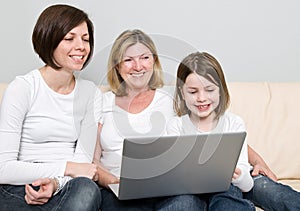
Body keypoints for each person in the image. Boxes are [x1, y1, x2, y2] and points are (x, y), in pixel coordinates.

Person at [0, 4, 101, 210]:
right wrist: (67, 168)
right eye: (69, 38)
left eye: (86, 39)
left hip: (65, 186)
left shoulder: (91, 93)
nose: (81, 46)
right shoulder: (23, 88)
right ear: (49, 39)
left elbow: (83, 168)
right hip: (21, 187)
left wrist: (55, 183)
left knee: (87, 188)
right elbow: (3, 168)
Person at [93, 29, 203, 210]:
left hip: (167, 190)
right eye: (128, 60)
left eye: (144, 58)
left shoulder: (172, 98)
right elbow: (93, 160)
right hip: (117, 191)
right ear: (117, 67)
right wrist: (115, 183)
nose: (138, 66)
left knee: (185, 204)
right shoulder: (102, 102)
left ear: (154, 61)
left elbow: (210, 131)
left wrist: (256, 160)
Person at [167, 51, 255, 210]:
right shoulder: (176, 126)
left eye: (209, 90)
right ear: (182, 92)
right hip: (187, 192)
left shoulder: (234, 123)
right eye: (193, 92)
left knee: (229, 201)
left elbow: (247, 185)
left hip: (226, 188)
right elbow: (172, 178)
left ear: (220, 90)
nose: (201, 98)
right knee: (181, 204)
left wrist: (238, 175)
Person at [245, 146, 300, 210]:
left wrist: (260, 165)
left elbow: (241, 146)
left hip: (247, 175)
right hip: (231, 182)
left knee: (285, 198)